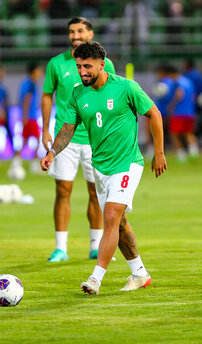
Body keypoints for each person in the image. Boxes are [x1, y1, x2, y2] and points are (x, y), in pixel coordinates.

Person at [41, 41, 167, 294]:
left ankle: (95, 279)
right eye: (78, 66)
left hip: (127, 164)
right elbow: (68, 128)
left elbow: (154, 114)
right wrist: (53, 152)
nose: (82, 71)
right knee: (119, 224)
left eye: (87, 66)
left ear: (101, 64)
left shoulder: (126, 87)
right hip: (101, 168)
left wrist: (159, 152)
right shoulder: (77, 93)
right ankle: (140, 273)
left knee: (110, 216)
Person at [41, 17, 116, 262]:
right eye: (72, 32)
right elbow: (46, 96)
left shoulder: (108, 65)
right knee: (63, 190)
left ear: (91, 33)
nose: (76, 36)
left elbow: (113, 98)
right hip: (67, 139)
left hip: (96, 138)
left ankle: (95, 246)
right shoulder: (56, 64)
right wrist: (45, 129)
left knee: (97, 193)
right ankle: (60, 248)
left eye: (81, 31)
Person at [167, 67, 198, 162]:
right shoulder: (188, 82)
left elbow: (179, 94)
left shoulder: (177, 82)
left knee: (174, 133)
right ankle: (194, 152)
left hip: (179, 112)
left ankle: (181, 155)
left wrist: (171, 105)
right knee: (188, 132)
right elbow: (193, 96)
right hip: (189, 112)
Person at [17, 62, 43, 173]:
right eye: (39, 70)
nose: (40, 73)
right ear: (33, 72)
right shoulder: (31, 84)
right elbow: (26, 99)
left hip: (29, 116)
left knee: (25, 140)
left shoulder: (27, 83)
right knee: (37, 140)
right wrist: (25, 116)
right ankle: (34, 164)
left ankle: (16, 161)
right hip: (30, 117)